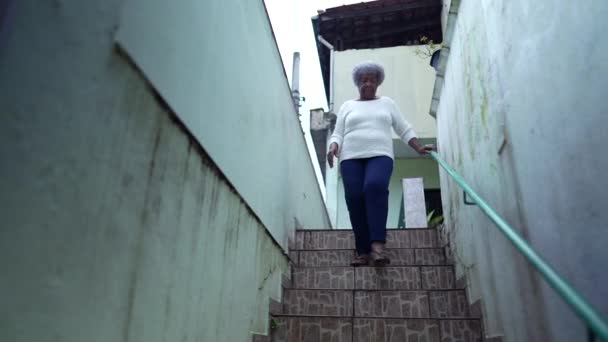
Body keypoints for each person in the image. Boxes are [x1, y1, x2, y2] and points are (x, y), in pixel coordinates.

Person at [327, 61, 434, 266]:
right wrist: (333, 147)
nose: (367, 83)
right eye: (363, 80)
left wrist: (418, 147)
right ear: (358, 83)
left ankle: (377, 247)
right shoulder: (347, 106)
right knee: (355, 198)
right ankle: (362, 251)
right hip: (350, 158)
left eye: (372, 80)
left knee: (374, 186)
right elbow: (338, 133)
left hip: (380, 155)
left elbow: (404, 128)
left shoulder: (387, 103)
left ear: (378, 83)